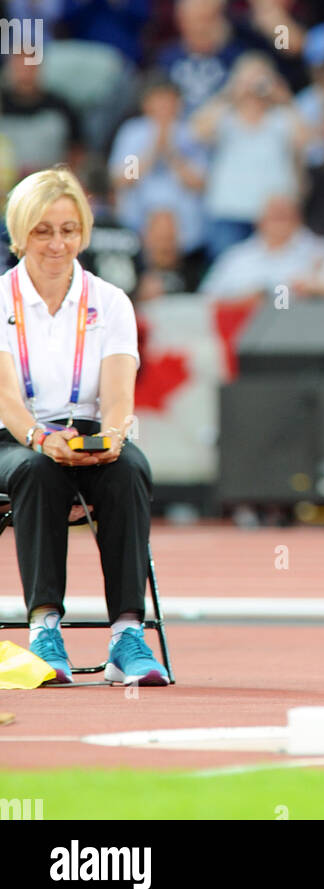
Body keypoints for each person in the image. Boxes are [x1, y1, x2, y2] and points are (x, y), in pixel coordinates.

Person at [0, 165, 168, 685]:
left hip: (88, 432)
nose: (56, 243)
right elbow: (6, 397)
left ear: (84, 232)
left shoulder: (110, 300)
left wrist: (113, 437)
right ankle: (45, 627)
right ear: (19, 233)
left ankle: (127, 634)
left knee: (129, 469)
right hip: (16, 439)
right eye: (42, 230)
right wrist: (40, 439)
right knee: (37, 472)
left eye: (68, 230)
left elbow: (119, 394)